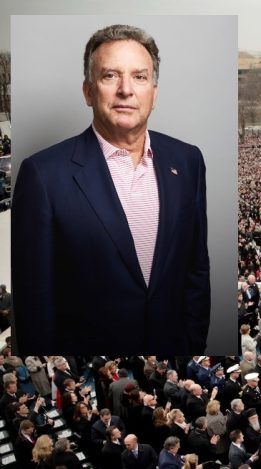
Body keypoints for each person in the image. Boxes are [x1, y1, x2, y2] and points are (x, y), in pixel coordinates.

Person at [11, 24, 210, 354]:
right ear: (88, 91)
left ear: (154, 93)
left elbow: (195, 270)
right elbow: (35, 302)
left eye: (140, 77)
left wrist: (192, 344)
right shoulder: (43, 175)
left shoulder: (188, 161)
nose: (126, 90)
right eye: (110, 76)